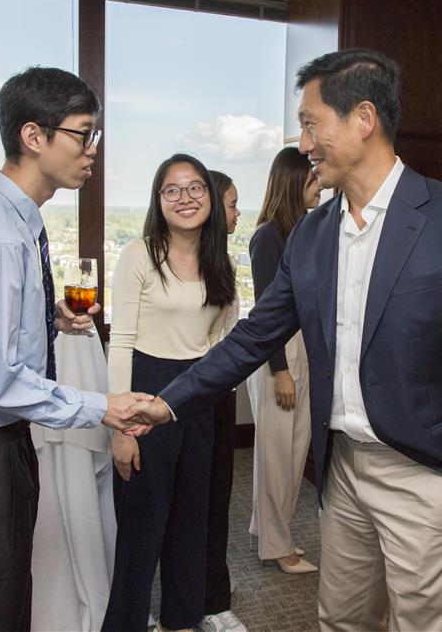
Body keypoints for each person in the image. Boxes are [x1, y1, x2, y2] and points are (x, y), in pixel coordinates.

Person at [127, 48, 442, 631]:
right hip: (341, 471)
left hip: (424, 478)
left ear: (364, 119)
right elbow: (252, 338)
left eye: (312, 123)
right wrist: (167, 403)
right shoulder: (313, 234)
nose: (304, 141)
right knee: (339, 621)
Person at [0, 66, 150, 632]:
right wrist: (100, 406)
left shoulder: (17, 220)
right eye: (83, 135)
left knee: (1, 600)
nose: (92, 151)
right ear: (33, 136)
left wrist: (47, 318)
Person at [102, 154, 236, 632]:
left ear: (209, 197)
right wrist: (120, 427)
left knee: (190, 524)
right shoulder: (139, 254)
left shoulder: (223, 259)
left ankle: (182, 620)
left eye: (195, 187)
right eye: (172, 190)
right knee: (141, 529)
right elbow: (119, 342)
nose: (185, 198)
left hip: (197, 399)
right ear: (158, 201)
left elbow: (224, 342)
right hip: (144, 392)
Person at [247, 147, 321, 574]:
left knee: (291, 452)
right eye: (312, 180)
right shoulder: (267, 237)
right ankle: (278, 546)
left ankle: (267, 527)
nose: (319, 186)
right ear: (295, 183)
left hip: (302, 347)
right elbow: (265, 313)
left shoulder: (302, 230)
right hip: (279, 355)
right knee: (280, 455)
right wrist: (280, 371)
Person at [198, 169, 247, 632]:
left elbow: (232, 335)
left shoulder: (226, 264)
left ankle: (213, 597)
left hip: (221, 395)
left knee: (217, 500)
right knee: (180, 503)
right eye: (232, 204)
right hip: (184, 395)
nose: (238, 213)